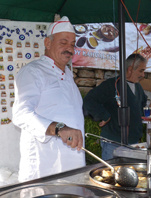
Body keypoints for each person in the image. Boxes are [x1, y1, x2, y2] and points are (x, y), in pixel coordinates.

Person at [12, 16, 85, 182]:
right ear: (48, 43)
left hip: (72, 165)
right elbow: (21, 114)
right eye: (63, 42)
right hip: (44, 167)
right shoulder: (33, 72)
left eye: (73, 44)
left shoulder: (66, 73)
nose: (70, 49)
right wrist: (59, 128)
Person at [83, 53, 148, 160]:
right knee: (112, 174)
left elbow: (142, 106)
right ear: (130, 69)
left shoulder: (138, 87)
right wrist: (104, 116)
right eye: (141, 70)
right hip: (113, 144)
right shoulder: (111, 85)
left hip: (133, 143)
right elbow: (89, 101)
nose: (143, 75)